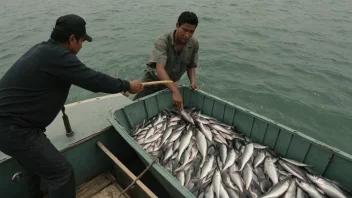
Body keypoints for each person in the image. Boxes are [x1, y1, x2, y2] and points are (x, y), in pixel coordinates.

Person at [0, 14, 142, 198]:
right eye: (82, 41)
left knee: (36, 168)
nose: (81, 46)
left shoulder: (43, 49)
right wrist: (127, 85)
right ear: (72, 39)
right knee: (62, 173)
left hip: (16, 125)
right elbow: (93, 80)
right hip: (13, 129)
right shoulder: (59, 56)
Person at [133, 11, 199, 109]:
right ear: (177, 25)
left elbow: (191, 65)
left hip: (172, 83)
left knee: (170, 110)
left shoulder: (194, 43)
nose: (187, 35)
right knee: (137, 107)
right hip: (152, 82)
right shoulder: (163, 41)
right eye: (185, 30)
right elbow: (160, 70)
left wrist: (192, 81)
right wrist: (175, 91)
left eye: (191, 32)